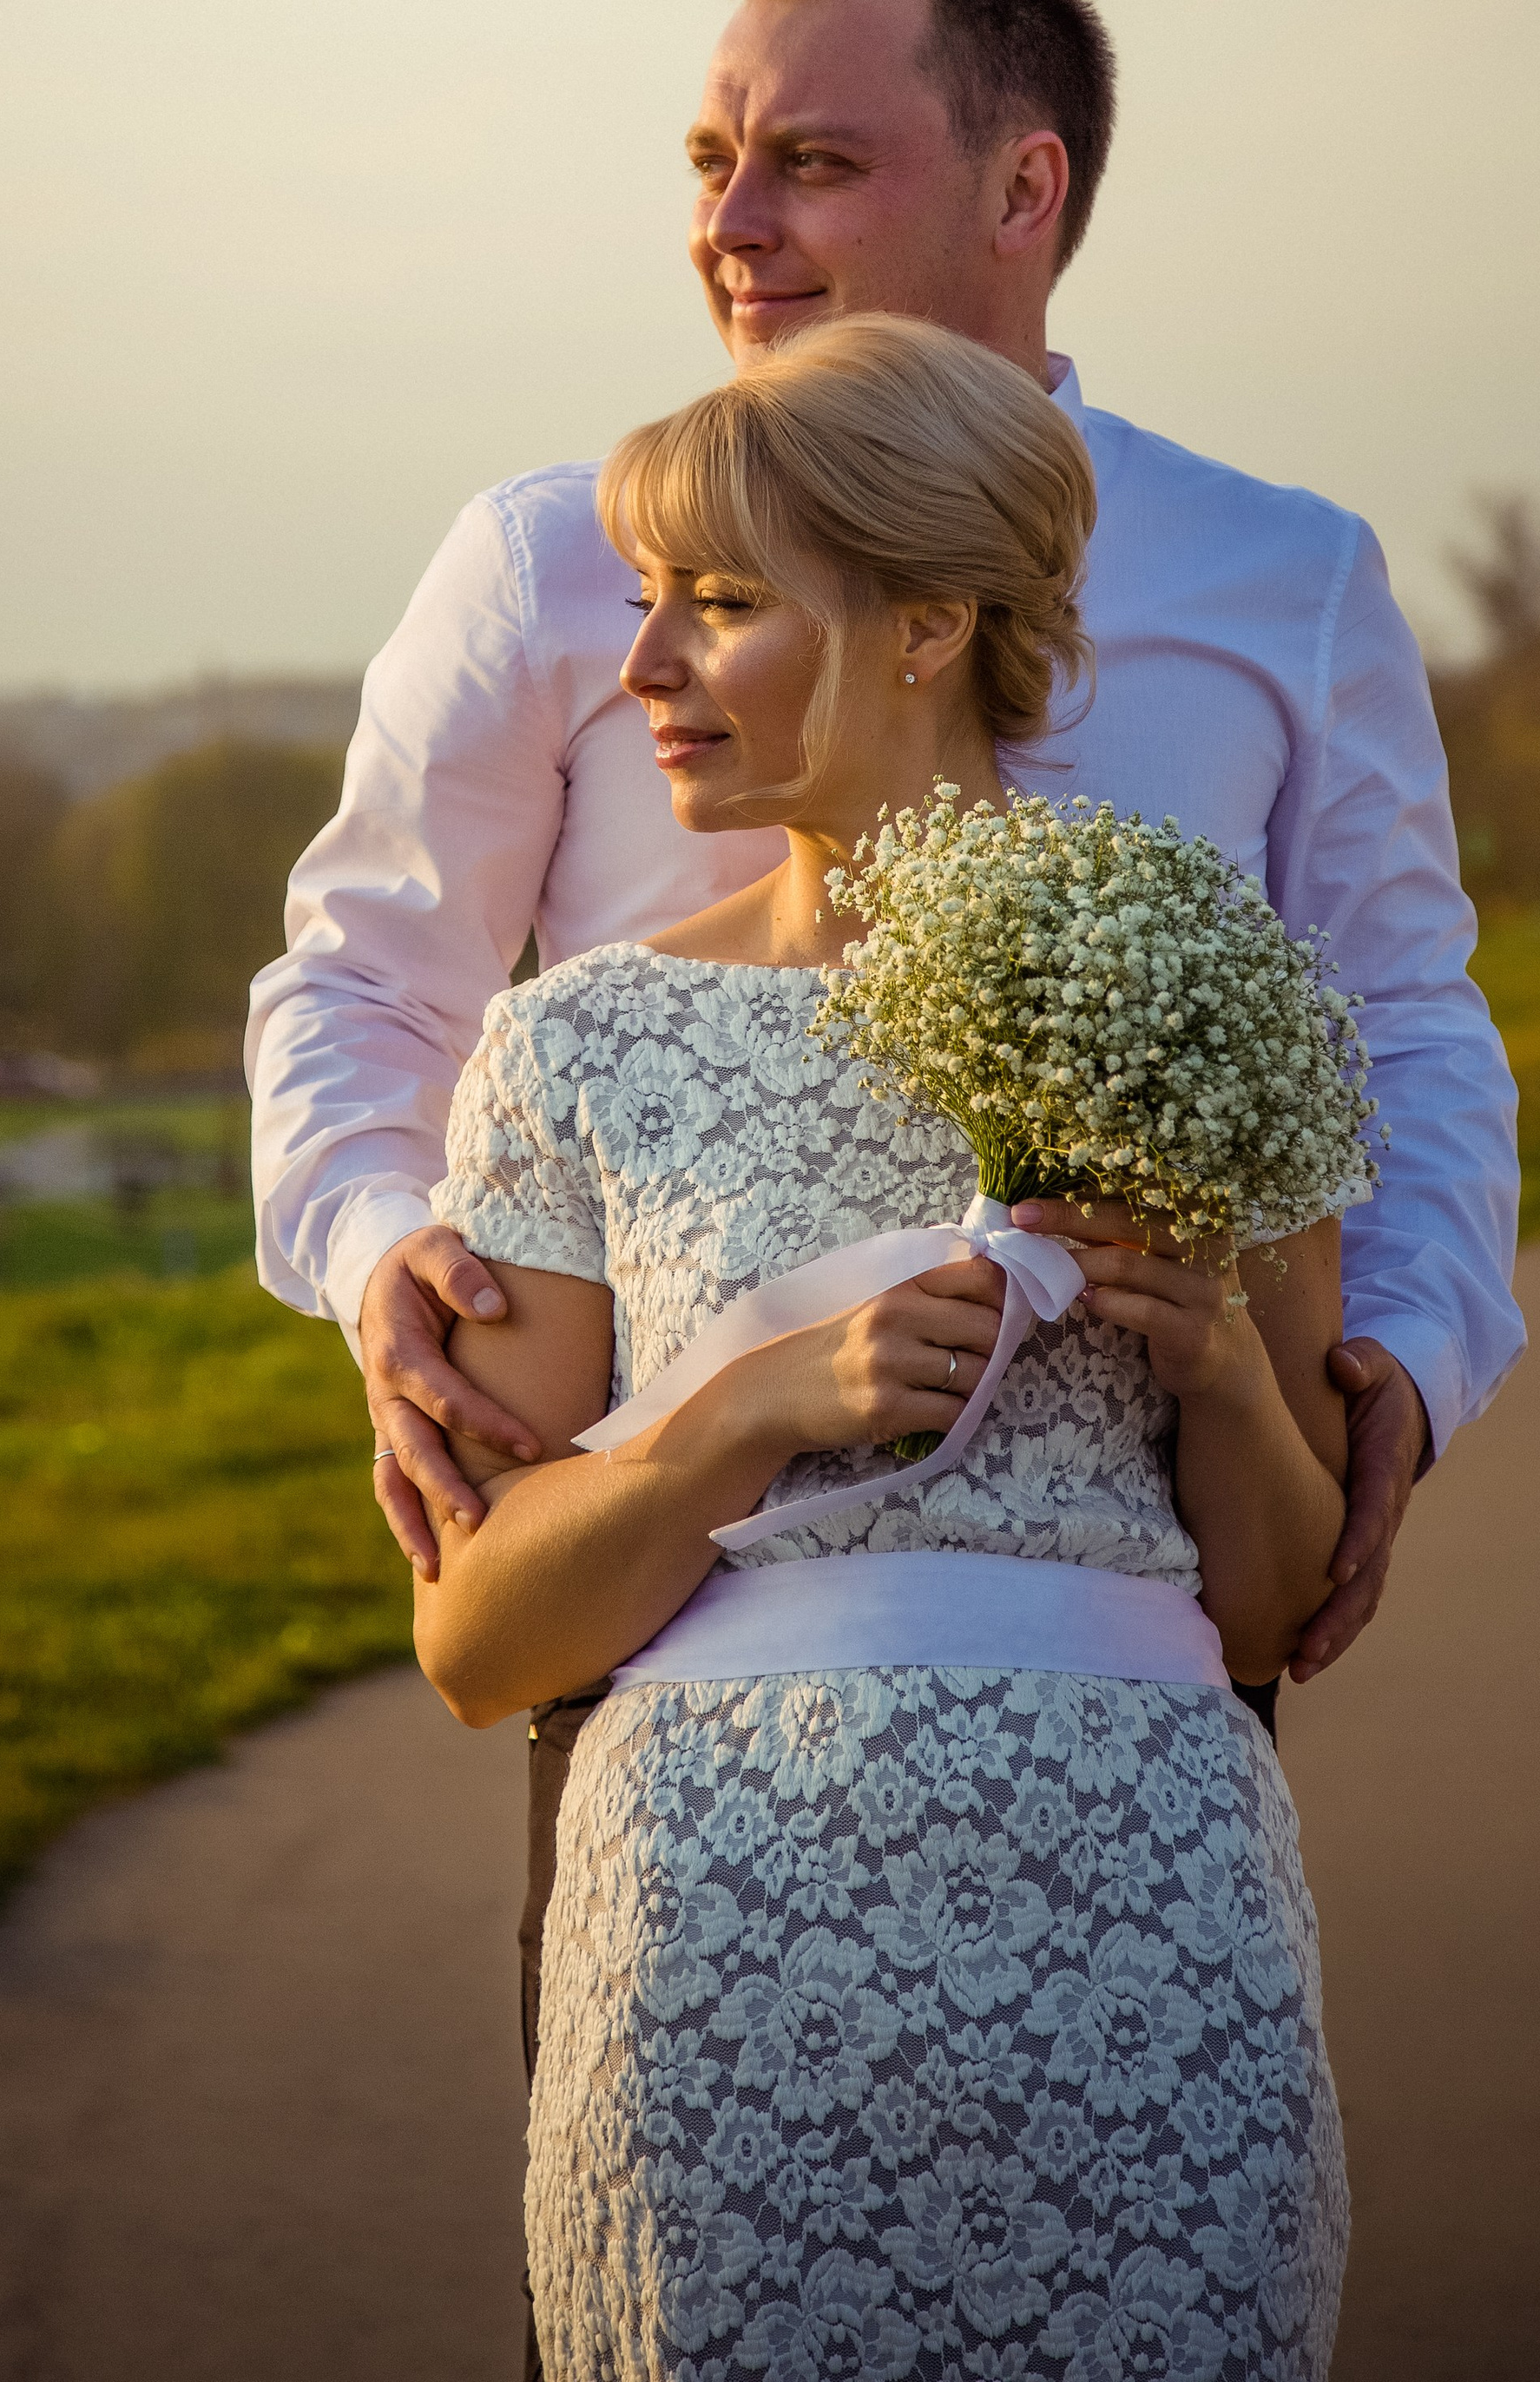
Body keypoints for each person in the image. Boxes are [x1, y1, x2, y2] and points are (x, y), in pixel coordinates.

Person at [244, 0, 1520, 2301]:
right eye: (711, 160)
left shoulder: (1285, 575)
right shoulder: (547, 551)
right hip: (685, 1634)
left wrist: (1391, 1379)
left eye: (810, 161)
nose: (732, 224)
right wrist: (385, 1271)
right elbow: (367, 978)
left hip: (1128, 1648)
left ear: (1024, 191)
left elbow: (1405, 1024)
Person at [415, 314, 1352, 2378]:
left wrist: (1206, 1365)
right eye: (646, 602)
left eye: (722, 606)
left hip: (1137, 1918)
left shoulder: (1189, 985)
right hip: (719, 1947)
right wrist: (739, 1418)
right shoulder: (579, 1042)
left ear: (927, 624)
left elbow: (1278, 1607)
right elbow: (477, 1646)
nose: (644, 665)